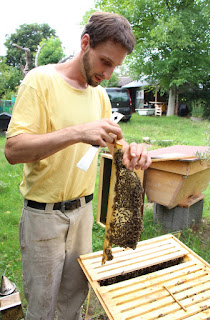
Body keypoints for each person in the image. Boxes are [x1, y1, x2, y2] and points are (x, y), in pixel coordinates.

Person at [4, 11, 152, 320]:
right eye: (105, 62)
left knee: (74, 302)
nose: (108, 74)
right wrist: (77, 133)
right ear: (85, 43)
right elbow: (13, 150)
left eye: (115, 66)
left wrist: (132, 153)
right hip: (44, 217)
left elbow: (115, 150)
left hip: (83, 215)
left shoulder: (99, 96)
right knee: (42, 308)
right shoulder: (40, 81)